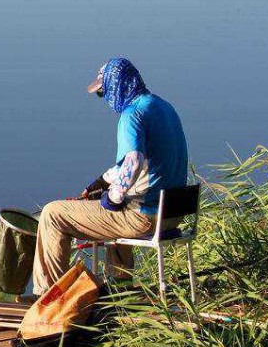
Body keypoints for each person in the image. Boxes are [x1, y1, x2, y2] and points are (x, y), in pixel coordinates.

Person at [31, 58, 188, 296]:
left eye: (103, 92)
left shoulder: (131, 115)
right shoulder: (163, 107)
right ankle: (122, 289)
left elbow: (133, 161)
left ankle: (47, 296)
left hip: (145, 219)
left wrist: (113, 196)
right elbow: (141, 161)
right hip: (172, 214)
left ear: (117, 86)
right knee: (118, 207)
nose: (104, 98)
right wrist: (102, 182)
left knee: (52, 214)